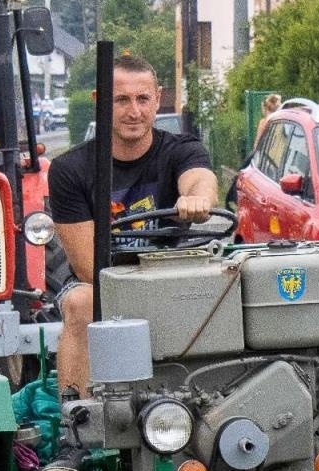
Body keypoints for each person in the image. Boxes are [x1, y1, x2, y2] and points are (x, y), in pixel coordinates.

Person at [46, 53, 218, 413]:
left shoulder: (181, 150)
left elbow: (200, 178)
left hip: (171, 274)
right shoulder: (70, 170)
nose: (134, 111)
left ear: (158, 98)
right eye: (121, 100)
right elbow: (88, 267)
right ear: (100, 103)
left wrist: (197, 198)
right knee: (82, 304)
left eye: (142, 99)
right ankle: (78, 424)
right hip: (101, 282)